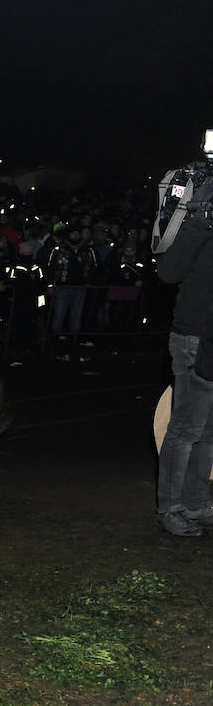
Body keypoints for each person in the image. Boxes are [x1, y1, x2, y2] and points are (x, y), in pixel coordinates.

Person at [154, 165, 213, 536]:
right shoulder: (200, 224)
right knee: (185, 430)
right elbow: (167, 272)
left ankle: (196, 503)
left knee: (207, 432)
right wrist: (199, 222)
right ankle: (171, 507)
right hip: (193, 338)